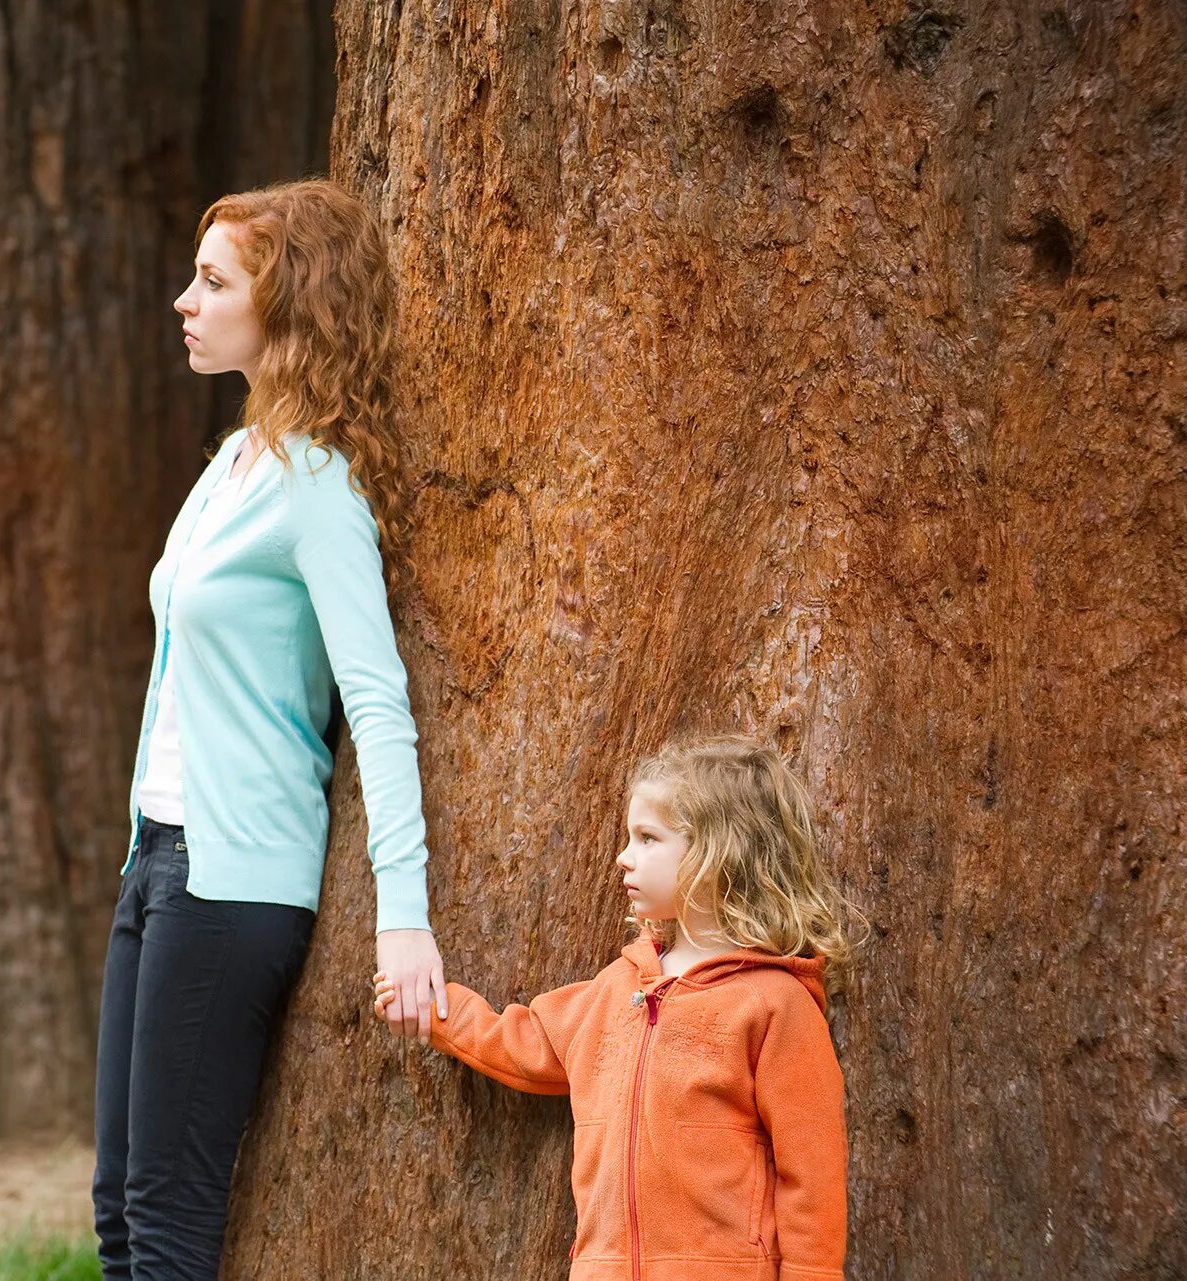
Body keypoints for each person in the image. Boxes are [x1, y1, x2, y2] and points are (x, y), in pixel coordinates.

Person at [91, 180, 447, 1279]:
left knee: (169, 1221)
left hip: (233, 884)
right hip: (155, 862)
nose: (184, 303)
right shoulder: (229, 468)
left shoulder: (319, 492)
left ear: (286, 305)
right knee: (119, 1210)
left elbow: (377, 701)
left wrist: (405, 916)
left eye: (214, 283)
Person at [375, 735, 858, 1280]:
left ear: (721, 851)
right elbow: (522, 1041)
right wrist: (434, 1008)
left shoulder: (776, 1005)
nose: (623, 857)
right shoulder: (617, 988)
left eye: (647, 838)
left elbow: (812, 1175)